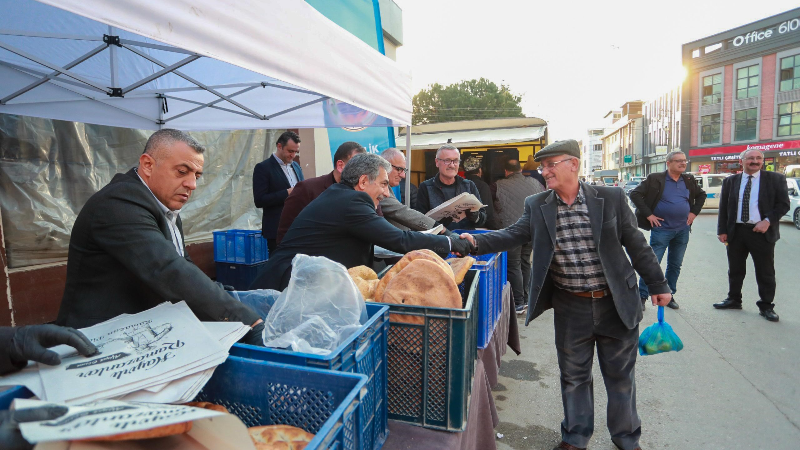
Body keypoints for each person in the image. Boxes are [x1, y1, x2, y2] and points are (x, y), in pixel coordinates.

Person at [462, 140, 670, 450]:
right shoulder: (537, 204)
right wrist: (471, 243)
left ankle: (627, 438)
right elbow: (512, 234)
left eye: (550, 165)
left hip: (615, 302)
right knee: (574, 377)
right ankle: (575, 436)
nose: (544, 171)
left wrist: (658, 284)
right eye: (542, 166)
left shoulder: (610, 198)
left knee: (620, 378)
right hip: (572, 306)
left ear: (573, 164)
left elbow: (636, 244)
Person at [55, 129, 264, 345]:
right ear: (147, 165)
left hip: (138, 334)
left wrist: (222, 295)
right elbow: (168, 270)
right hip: (95, 340)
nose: (192, 184)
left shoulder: (164, 207)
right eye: (182, 172)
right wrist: (247, 321)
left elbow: (183, 263)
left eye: (197, 176)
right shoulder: (118, 204)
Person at [250, 153, 473, 290]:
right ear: (364, 181)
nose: (386, 193)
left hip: (302, 284)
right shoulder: (352, 201)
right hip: (285, 287)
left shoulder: (342, 195)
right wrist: (450, 243)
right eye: (384, 184)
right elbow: (398, 239)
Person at [715, 148, 790, 322]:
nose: (754, 161)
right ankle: (734, 299)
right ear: (742, 161)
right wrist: (722, 230)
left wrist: (768, 220)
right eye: (750, 158)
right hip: (737, 232)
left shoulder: (775, 179)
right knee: (735, 269)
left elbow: (783, 204)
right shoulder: (731, 181)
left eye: (758, 158)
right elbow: (724, 208)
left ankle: (766, 306)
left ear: (762, 161)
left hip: (761, 232)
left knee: (765, 271)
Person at [629, 151, 706, 311]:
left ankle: (669, 294)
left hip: (682, 230)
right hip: (662, 230)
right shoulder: (655, 179)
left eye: (685, 161)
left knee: (675, 265)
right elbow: (635, 194)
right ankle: (641, 296)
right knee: (652, 264)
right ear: (668, 163)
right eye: (678, 161)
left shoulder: (688, 180)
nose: (683, 164)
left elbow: (701, 195)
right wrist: (649, 214)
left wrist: (693, 213)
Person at [276, 142, 366, 244]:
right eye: (358, 167)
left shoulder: (365, 190)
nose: (363, 173)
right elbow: (285, 234)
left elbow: (376, 226)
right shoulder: (308, 189)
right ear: (340, 165)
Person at [492, 157, 545, 315]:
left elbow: (493, 211)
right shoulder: (537, 183)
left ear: (506, 171)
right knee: (525, 262)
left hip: (512, 231)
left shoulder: (497, 185)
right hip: (532, 229)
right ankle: (528, 299)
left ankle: (519, 303)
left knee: (514, 265)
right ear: (520, 170)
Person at [253, 131, 305, 253]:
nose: (293, 155)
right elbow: (259, 200)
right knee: (278, 266)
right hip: (277, 229)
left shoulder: (296, 166)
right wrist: (287, 193)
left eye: (296, 152)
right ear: (279, 146)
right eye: (290, 151)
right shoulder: (263, 168)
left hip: (297, 227)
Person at [380, 148, 453, 233]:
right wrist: (439, 229)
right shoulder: (377, 187)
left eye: (404, 170)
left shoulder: (387, 187)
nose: (403, 175)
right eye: (399, 169)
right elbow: (401, 212)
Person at [415, 144, 487, 230]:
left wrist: (475, 216)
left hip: (464, 239)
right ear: (437, 162)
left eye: (455, 161)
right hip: (439, 240)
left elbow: (483, 218)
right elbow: (419, 221)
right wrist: (438, 223)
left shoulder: (469, 185)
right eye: (447, 160)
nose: (452, 165)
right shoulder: (426, 187)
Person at [463, 157, 498, 229]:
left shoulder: (460, 185)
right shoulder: (483, 186)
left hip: (462, 227)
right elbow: (488, 212)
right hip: (480, 228)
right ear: (480, 170)